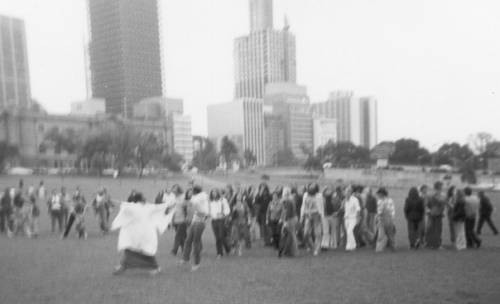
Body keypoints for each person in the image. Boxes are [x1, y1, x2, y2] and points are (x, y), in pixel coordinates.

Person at [112, 192, 173, 276]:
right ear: (140, 199)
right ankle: (123, 266)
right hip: (137, 234)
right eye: (143, 197)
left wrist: (169, 205)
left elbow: (160, 207)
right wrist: (169, 204)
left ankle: (155, 267)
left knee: (146, 251)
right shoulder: (138, 207)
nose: (145, 198)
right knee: (130, 250)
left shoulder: (142, 207)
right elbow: (160, 207)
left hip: (143, 234)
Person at [182, 185, 209, 271]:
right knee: (188, 240)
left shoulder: (199, 198)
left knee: (196, 243)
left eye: (191, 191)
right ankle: (185, 259)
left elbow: (191, 203)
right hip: (195, 220)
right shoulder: (200, 197)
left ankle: (196, 264)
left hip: (200, 222)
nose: (190, 193)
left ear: (195, 192)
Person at [300, 183, 324, 256]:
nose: (311, 188)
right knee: (306, 233)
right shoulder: (305, 195)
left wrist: (322, 217)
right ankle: (312, 246)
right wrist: (301, 216)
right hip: (307, 215)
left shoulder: (319, 196)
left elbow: (321, 207)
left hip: (316, 215)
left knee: (318, 233)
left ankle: (317, 249)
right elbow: (303, 206)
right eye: (310, 187)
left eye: (313, 187)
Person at [209, 189, 231, 258]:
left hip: (221, 220)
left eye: (215, 192)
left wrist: (223, 214)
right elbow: (208, 211)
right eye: (212, 193)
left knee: (221, 236)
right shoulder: (210, 202)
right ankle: (219, 253)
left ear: (217, 193)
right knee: (217, 237)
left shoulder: (222, 200)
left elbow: (227, 210)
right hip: (213, 221)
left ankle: (227, 249)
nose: (214, 194)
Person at [425, 182, 446, 249]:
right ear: (439, 187)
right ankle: (437, 244)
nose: (442, 188)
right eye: (441, 186)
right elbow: (442, 204)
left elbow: (427, 205)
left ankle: (430, 244)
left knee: (431, 229)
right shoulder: (441, 195)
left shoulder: (430, 195)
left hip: (431, 213)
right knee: (437, 230)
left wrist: (430, 210)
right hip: (438, 214)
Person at [279, 187, 298, 257]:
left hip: (290, 219)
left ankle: (294, 252)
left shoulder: (288, 201)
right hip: (293, 218)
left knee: (292, 235)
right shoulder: (291, 200)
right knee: (291, 235)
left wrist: (285, 221)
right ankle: (290, 251)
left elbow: (288, 212)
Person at [375, 188, 396, 252]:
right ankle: (379, 249)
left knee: (390, 234)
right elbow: (378, 211)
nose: (378, 195)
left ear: (382, 194)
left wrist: (392, 218)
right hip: (381, 219)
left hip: (388, 218)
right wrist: (378, 217)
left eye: (379, 194)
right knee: (380, 235)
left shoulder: (389, 201)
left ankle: (393, 247)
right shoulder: (379, 201)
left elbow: (392, 210)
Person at [171, 185, 189, 256]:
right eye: (173, 190)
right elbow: (173, 209)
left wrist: (187, 218)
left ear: (179, 190)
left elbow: (187, 207)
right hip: (175, 219)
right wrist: (172, 220)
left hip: (183, 220)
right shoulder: (174, 198)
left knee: (178, 235)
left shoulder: (183, 196)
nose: (173, 191)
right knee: (183, 236)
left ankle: (174, 251)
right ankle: (184, 250)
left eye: (175, 190)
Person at [343, 186, 360, 251]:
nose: (346, 193)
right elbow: (344, 209)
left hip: (353, 218)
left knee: (349, 231)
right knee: (348, 232)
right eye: (345, 191)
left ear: (350, 192)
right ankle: (348, 246)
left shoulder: (355, 200)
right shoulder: (345, 199)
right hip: (346, 218)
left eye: (347, 191)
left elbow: (358, 209)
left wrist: (358, 218)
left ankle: (353, 246)